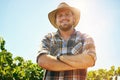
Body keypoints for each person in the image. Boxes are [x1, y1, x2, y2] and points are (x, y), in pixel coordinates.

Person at [37, 2, 96, 80]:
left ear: (74, 18)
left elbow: (89, 60)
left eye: (67, 14)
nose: (64, 17)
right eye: (60, 15)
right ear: (56, 21)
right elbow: (42, 61)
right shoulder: (48, 38)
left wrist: (58, 59)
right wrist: (78, 63)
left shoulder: (85, 38)